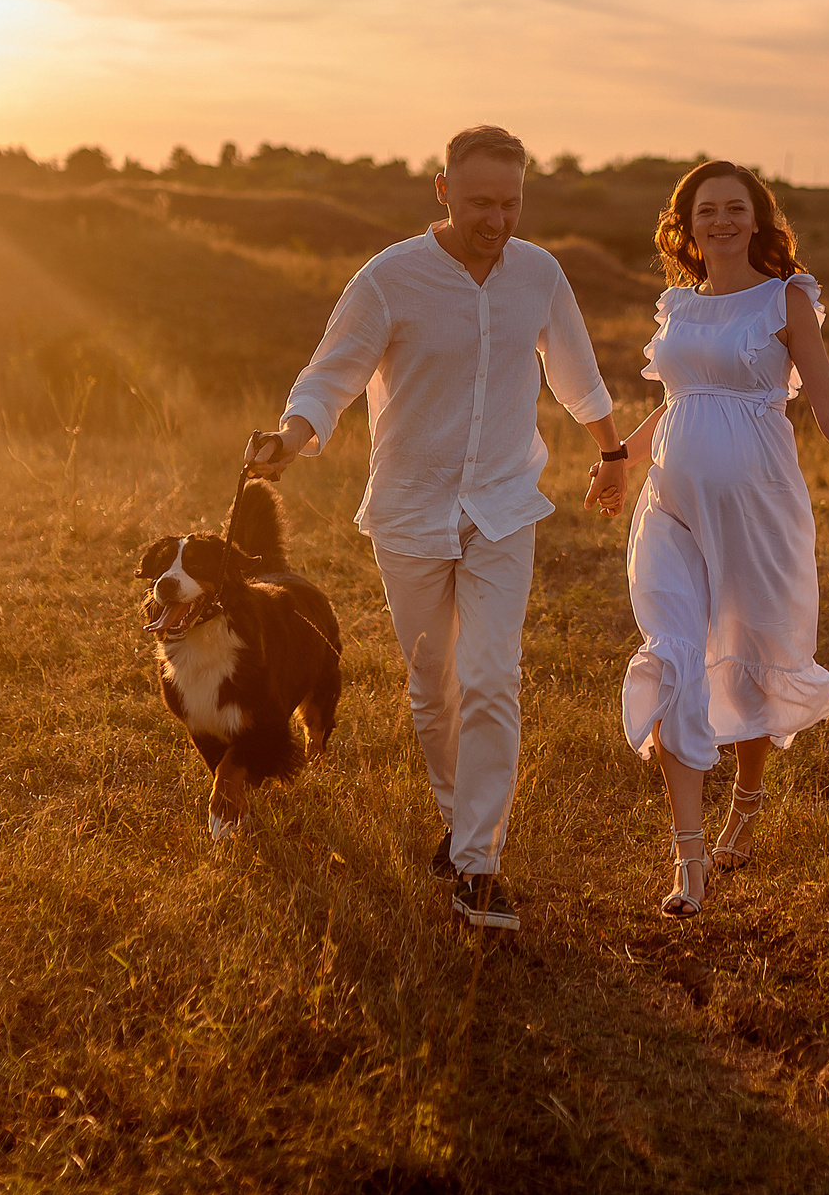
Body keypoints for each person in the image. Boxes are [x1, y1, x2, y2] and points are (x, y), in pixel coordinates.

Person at [244, 126, 628, 931]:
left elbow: (575, 371)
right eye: (482, 200)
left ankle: (479, 865)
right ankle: (458, 823)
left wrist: (611, 453)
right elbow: (332, 372)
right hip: (411, 509)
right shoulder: (391, 278)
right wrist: (291, 435)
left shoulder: (539, 274)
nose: (498, 218)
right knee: (434, 686)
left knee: (493, 676)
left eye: (512, 202)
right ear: (443, 189)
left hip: (502, 504)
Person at [591, 160, 829, 918]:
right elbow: (679, 402)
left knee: (747, 655)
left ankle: (746, 798)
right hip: (670, 507)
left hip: (759, 507)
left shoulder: (786, 299)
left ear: (758, 218)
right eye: (705, 209)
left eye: (734, 208)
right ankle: (689, 858)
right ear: (685, 225)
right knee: (675, 652)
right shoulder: (678, 306)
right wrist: (618, 462)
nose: (721, 220)